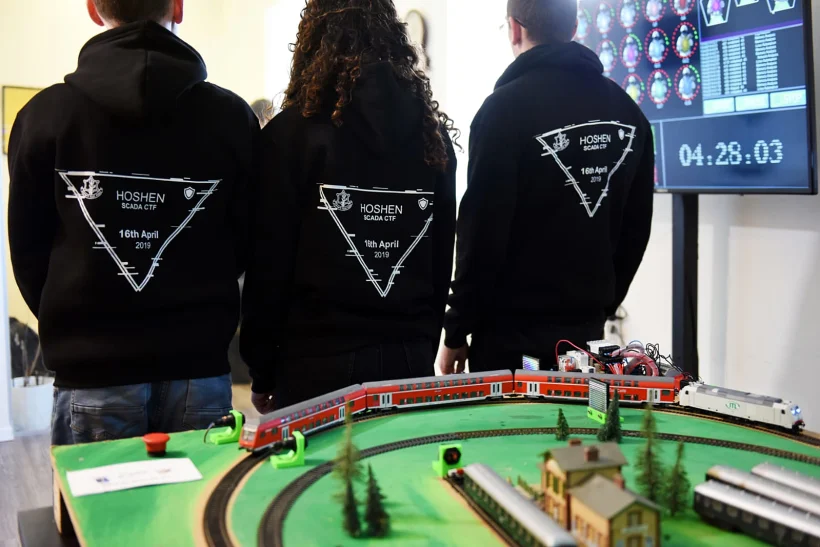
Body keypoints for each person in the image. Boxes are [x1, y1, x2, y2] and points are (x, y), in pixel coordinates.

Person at [8, 0, 259, 445]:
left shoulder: (44, 116)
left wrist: (76, 319)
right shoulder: (233, 120)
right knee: (199, 496)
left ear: (93, 9)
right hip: (198, 372)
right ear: (178, 7)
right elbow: (246, 243)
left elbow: (28, 252)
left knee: (97, 497)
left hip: (92, 375)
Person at [241, 0, 458, 412]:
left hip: (313, 366)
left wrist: (262, 367)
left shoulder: (292, 136)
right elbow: (439, 262)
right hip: (407, 360)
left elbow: (269, 265)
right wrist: (422, 349)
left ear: (313, 39)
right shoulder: (432, 139)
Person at [439, 0, 654, 374]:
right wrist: (598, 308)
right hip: (587, 344)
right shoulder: (630, 115)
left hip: (509, 349)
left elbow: (482, 236)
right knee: (583, 417)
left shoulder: (501, 112)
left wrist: (457, 330)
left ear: (514, 29)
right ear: (573, 29)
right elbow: (635, 233)